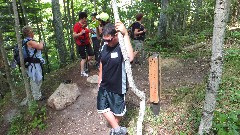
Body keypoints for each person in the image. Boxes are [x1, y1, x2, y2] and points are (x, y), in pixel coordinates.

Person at [97, 22, 134, 135]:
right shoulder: (104, 45)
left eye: (109, 40)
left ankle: (115, 129)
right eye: (105, 40)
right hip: (105, 84)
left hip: (118, 85)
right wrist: (100, 78)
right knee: (102, 107)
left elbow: (130, 57)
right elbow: (102, 62)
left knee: (118, 112)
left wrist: (126, 34)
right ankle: (118, 130)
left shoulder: (121, 45)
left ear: (116, 35)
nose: (107, 42)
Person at [22, 26, 45, 102]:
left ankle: (38, 94)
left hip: (34, 64)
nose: (33, 32)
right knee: (35, 79)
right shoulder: (30, 42)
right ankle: (37, 97)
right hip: (33, 65)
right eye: (32, 31)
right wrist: (41, 42)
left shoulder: (26, 41)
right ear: (29, 33)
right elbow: (40, 47)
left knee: (37, 78)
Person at [73, 12, 94, 77]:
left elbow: (86, 31)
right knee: (83, 58)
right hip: (81, 44)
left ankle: (86, 64)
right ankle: (82, 72)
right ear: (82, 18)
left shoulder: (85, 25)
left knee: (91, 54)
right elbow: (74, 35)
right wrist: (80, 33)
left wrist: (90, 31)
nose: (86, 20)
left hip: (87, 43)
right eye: (85, 18)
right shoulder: (77, 25)